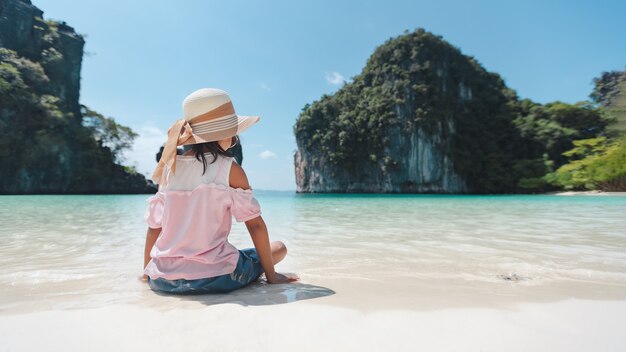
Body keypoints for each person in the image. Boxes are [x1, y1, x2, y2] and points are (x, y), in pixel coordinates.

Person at [142, 88, 298, 294]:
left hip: (162, 279)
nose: (235, 138)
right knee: (279, 247)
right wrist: (272, 276)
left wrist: (146, 274)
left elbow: (154, 228)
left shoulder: (169, 169)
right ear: (222, 133)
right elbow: (256, 226)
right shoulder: (229, 168)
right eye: (233, 131)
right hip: (214, 278)